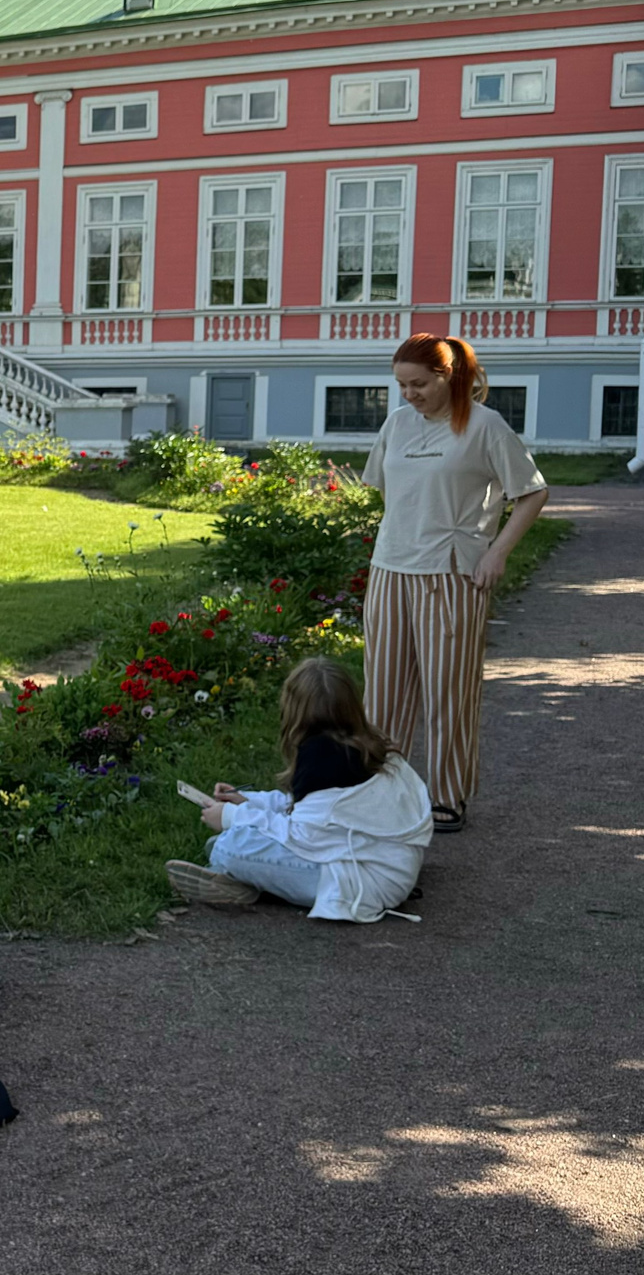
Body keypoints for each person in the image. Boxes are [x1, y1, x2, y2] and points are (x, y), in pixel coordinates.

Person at [361, 334, 547, 833]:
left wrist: (497, 552)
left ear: (449, 377)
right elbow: (384, 490)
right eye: (401, 385)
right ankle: (384, 792)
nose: (408, 395)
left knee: (449, 691)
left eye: (418, 384)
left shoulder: (485, 427)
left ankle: (447, 795)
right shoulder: (397, 424)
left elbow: (532, 492)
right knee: (382, 695)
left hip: (451, 572)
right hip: (391, 569)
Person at [164, 657, 432, 921]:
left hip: (365, 882)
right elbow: (316, 810)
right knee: (226, 843)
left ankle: (240, 880)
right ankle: (238, 882)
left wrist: (232, 817)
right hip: (393, 865)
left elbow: (302, 836)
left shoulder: (320, 757)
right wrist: (248, 801)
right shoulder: (368, 743)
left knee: (228, 847)